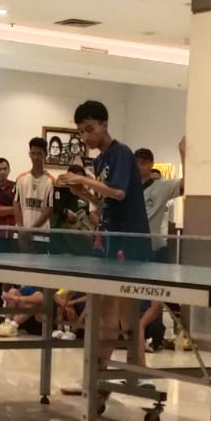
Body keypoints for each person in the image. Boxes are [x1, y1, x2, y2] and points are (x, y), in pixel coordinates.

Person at [59, 100, 152, 364]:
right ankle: (100, 372)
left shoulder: (121, 153)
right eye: (81, 132)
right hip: (111, 240)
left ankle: (135, 372)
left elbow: (119, 192)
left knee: (125, 313)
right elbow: (105, 203)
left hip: (130, 239)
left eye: (89, 129)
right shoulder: (99, 161)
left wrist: (83, 179)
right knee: (107, 310)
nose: (85, 137)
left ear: (104, 124)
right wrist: (84, 193)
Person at [136, 139, 187, 350]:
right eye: (135, 163)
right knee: (133, 296)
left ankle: (149, 333)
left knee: (157, 297)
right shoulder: (127, 188)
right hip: (132, 251)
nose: (139, 166)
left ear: (150, 164)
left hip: (155, 250)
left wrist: (183, 153)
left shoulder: (161, 187)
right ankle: (135, 333)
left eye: (142, 162)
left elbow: (185, 184)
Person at [14, 137, 56, 241]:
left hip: (41, 235)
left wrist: (31, 230)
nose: (35, 157)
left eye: (39, 153)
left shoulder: (51, 181)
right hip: (21, 234)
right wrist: (21, 228)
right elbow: (16, 204)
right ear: (29, 154)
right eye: (33, 153)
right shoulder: (21, 178)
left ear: (45, 154)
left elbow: (50, 209)